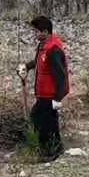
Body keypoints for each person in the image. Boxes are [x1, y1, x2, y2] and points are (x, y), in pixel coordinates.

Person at [22, 15, 69, 162]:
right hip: (42, 94)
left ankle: (50, 153)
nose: (34, 34)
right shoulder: (43, 45)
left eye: (36, 31)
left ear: (45, 31)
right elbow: (38, 62)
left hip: (50, 96)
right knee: (38, 119)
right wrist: (26, 66)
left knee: (46, 125)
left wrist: (57, 99)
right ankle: (51, 149)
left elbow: (60, 76)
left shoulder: (53, 50)